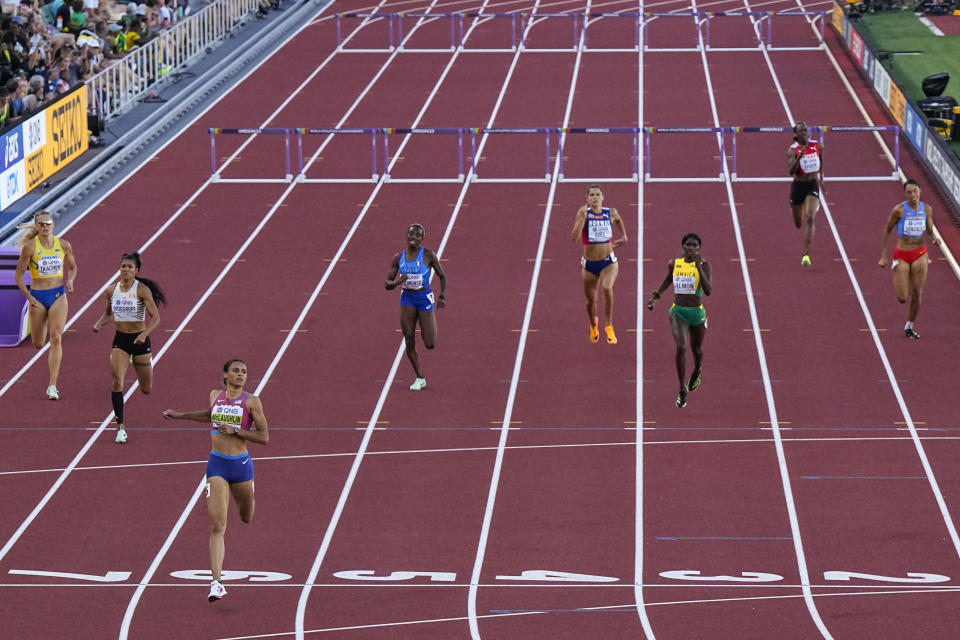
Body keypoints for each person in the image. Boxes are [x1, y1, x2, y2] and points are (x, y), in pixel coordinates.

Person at [161, 359, 269, 602]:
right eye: (236, 371)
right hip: (217, 465)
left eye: (244, 372)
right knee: (217, 526)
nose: (241, 375)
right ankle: (217, 582)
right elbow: (209, 415)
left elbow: (264, 437)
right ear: (225, 375)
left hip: (241, 466)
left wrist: (237, 431)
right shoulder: (214, 396)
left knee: (246, 516)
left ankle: (250, 492)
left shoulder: (252, 401)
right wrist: (181, 415)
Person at [92, 252, 166, 443]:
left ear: (136, 271)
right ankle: (120, 427)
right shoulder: (111, 290)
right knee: (117, 380)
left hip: (139, 341)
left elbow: (156, 318)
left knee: (146, 389)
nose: (125, 269)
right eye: (123, 266)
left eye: (129, 267)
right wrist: (100, 323)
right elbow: (108, 314)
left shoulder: (141, 290)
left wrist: (144, 334)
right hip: (121, 341)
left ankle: (143, 363)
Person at [14, 211, 78, 400]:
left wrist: (71, 280)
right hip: (37, 297)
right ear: (36, 227)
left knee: (56, 338)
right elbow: (18, 276)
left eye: (47, 223)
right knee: (38, 343)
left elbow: (73, 267)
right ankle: (39, 339)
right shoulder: (30, 248)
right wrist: (28, 297)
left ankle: (52, 385)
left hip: (58, 295)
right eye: (41, 224)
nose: (45, 226)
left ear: (53, 225)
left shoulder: (64, 245)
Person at [646, 233, 712, 409]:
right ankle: (682, 389)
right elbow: (669, 278)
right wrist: (656, 296)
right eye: (688, 245)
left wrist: (698, 267)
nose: (691, 248)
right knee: (682, 347)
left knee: (697, 349)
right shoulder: (674, 263)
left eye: (695, 245)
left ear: (699, 248)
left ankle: (697, 371)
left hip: (697, 313)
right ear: (683, 246)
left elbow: (708, 291)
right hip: (678, 312)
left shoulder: (705, 265)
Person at [385, 223, 447, 391]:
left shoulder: (428, 255)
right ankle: (420, 377)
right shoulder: (398, 258)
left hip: (423, 298)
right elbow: (387, 284)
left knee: (430, 343)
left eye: (417, 235)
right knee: (409, 338)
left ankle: (426, 330)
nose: (413, 237)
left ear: (422, 239)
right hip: (407, 299)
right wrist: (398, 281)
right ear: (406, 236)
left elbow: (442, 276)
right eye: (411, 234)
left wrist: (442, 296)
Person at [879, 179, 940, 339]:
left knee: (917, 292)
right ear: (905, 194)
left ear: (920, 191)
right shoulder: (899, 210)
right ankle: (898, 274)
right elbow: (887, 230)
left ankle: (909, 326)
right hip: (902, 254)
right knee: (902, 298)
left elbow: (929, 229)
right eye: (909, 192)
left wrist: (934, 238)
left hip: (920, 254)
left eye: (915, 191)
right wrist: (883, 256)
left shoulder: (927, 209)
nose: (912, 195)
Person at [570, 183, 627, 344]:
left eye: (597, 194)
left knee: (607, 289)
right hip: (589, 264)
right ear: (587, 198)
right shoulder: (583, 213)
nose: (595, 197)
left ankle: (609, 326)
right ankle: (593, 324)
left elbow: (618, 220)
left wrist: (624, 236)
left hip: (608, 261)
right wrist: (581, 219)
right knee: (590, 301)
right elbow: (574, 238)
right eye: (592, 195)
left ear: (603, 197)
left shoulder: (611, 212)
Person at [786, 121, 823, 266]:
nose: (804, 133)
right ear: (795, 134)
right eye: (801, 131)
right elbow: (790, 172)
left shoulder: (817, 145)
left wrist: (823, 180)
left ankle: (806, 254)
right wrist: (799, 159)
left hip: (812, 184)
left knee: (810, 218)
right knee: (798, 223)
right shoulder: (792, 150)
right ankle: (796, 209)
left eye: (805, 130)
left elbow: (821, 161)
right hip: (798, 186)